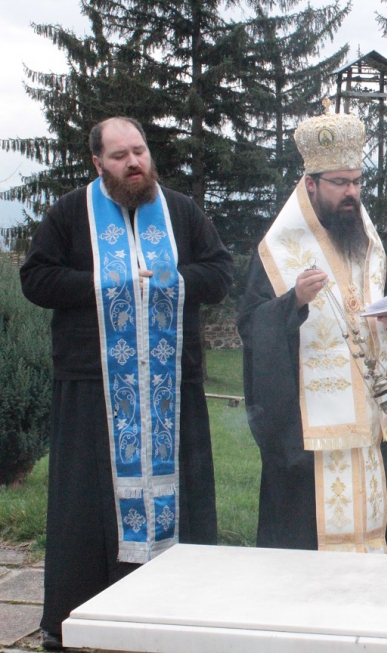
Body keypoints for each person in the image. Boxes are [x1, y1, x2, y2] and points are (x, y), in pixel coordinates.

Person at [20, 117, 233, 651]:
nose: (134, 163)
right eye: (120, 156)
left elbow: (220, 273)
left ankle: (180, 613)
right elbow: (36, 278)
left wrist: (172, 280)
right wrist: (105, 282)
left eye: (139, 151)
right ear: (98, 163)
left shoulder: (180, 211)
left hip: (170, 388)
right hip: (92, 389)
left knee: (182, 500)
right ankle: (76, 617)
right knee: (87, 510)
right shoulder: (71, 212)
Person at [238, 99, 387, 554]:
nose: (351, 192)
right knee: (308, 544)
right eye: (340, 183)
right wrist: (293, 301)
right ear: (311, 184)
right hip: (308, 432)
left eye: (356, 181)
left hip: (369, 420)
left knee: (373, 528)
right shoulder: (277, 251)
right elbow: (251, 325)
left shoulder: (368, 242)